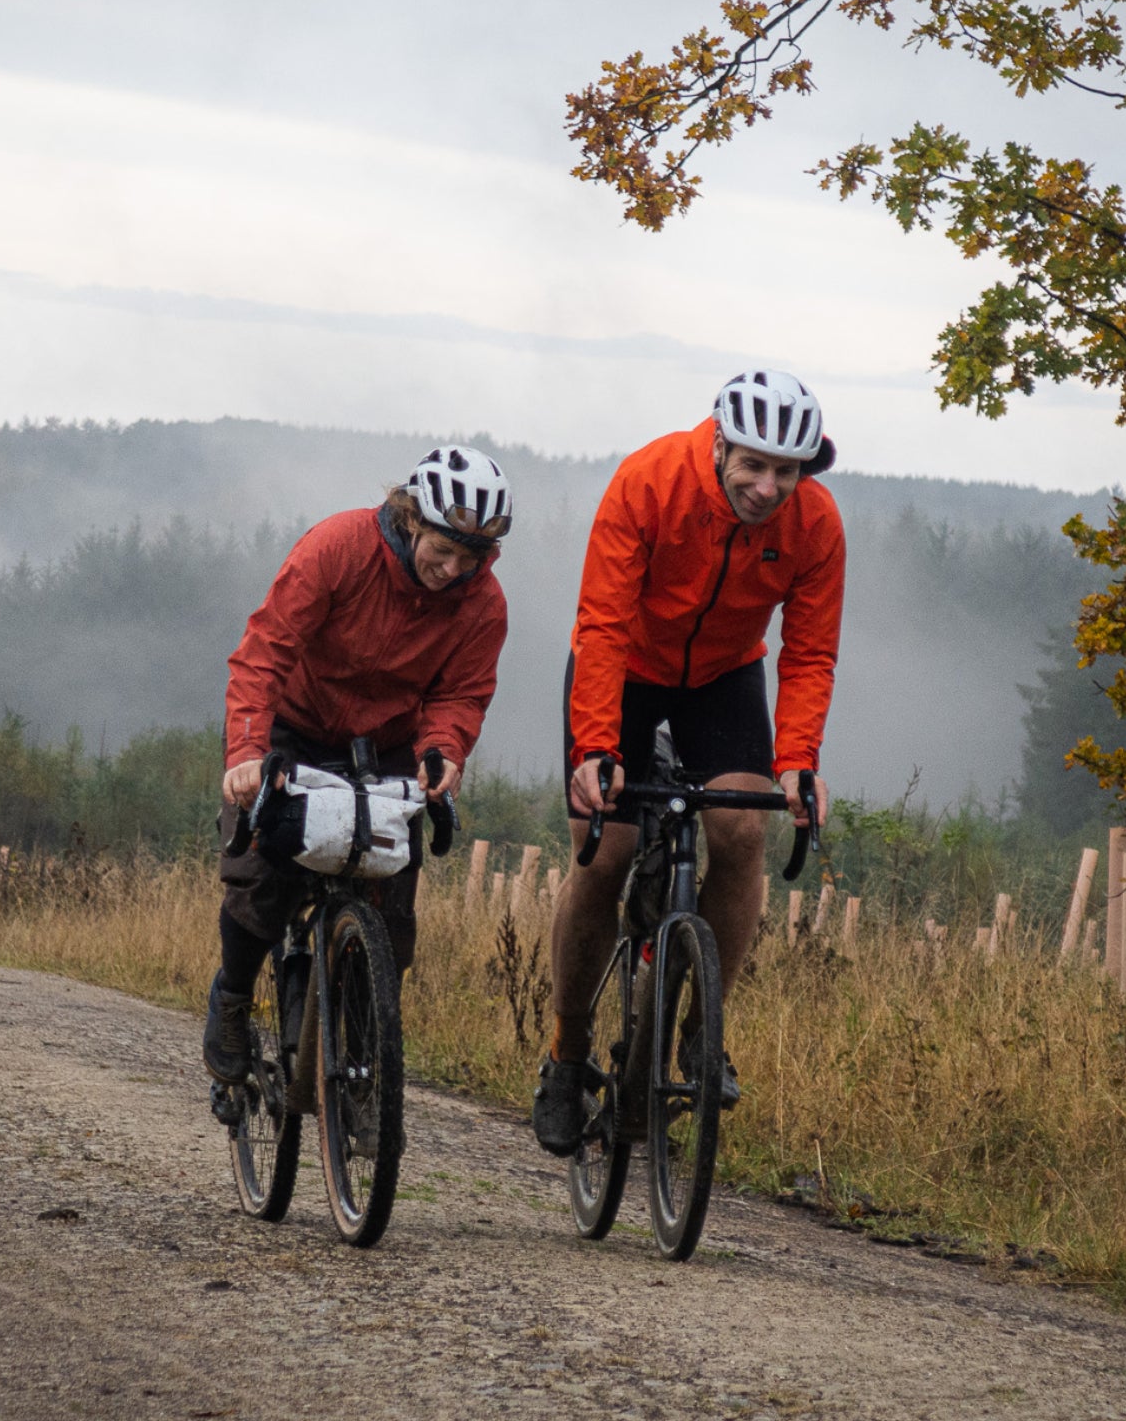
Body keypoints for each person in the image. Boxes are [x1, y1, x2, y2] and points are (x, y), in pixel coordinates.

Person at [532, 370, 845, 1155]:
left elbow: (809, 652)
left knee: (742, 833)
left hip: (722, 676)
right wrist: (597, 747)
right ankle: (566, 1055)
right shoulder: (648, 481)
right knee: (605, 853)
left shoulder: (817, 524)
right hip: (624, 665)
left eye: (787, 470)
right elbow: (600, 622)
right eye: (753, 464)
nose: (769, 486)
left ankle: (705, 1031)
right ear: (717, 442)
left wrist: (798, 761)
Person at [203, 444, 512, 1086]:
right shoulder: (339, 547)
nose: (452, 570)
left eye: (470, 559)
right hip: (296, 729)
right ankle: (232, 998)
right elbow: (265, 652)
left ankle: (364, 1062)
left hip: (389, 746)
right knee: (264, 879)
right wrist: (246, 753)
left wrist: (443, 753)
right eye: (442, 549)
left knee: (391, 907)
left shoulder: (482, 603)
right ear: (411, 519)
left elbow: (461, 693)